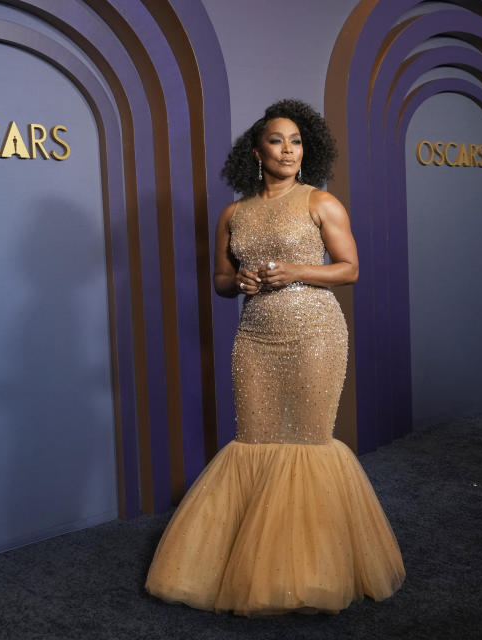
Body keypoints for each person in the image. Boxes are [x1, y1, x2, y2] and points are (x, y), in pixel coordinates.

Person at [145, 99, 405, 615]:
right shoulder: (234, 213)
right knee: (256, 440)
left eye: (296, 141)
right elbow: (220, 282)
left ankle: (312, 572)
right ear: (256, 151)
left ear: (307, 152)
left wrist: (296, 270)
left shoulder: (320, 203)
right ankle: (247, 568)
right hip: (255, 339)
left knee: (308, 442)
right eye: (276, 140)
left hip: (314, 333)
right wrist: (237, 281)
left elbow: (350, 269)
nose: (288, 150)